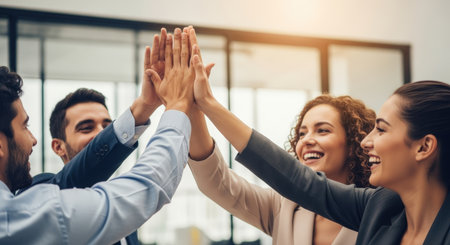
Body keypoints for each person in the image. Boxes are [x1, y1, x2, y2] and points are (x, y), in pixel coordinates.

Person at [187, 45, 450, 244]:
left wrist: (209, 104)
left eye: (380, 130)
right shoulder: (378, 207)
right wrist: (198, 106)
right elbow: (293, 178)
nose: (368, 141)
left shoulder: (373, 206)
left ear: (424, 147)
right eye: (302, 133)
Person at [0, 26, 196, 244]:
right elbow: (146, 187)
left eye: (107, 126)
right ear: (58, 146)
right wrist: (178, 106)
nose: (101, 135)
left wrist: (146, 106)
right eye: (86, 128)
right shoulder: (37, 196)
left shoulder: (126, 228)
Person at [188, 92, 375, 244]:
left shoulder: (377, 208)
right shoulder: (283, 206)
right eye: (302, 134)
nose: (306, 140)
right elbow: (217, 183)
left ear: (353, 144)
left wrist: (208, 102)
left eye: (323, 130)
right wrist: (189, 107)